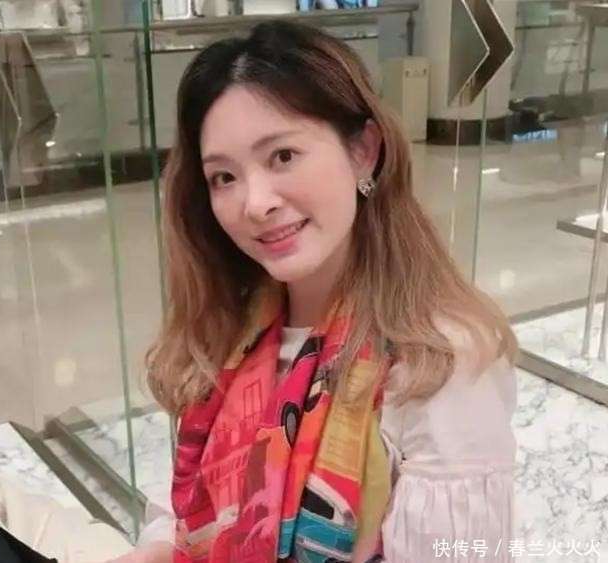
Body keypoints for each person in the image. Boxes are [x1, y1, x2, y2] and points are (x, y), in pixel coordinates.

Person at [108, 18, 519, 563]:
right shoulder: (233, 331)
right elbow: (186, 509)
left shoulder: (439, 361)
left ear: (363, 151)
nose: (255, 203)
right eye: (224, 177)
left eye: (282, 156)